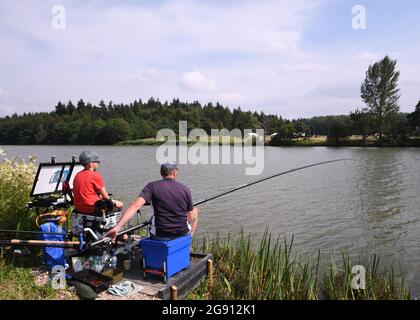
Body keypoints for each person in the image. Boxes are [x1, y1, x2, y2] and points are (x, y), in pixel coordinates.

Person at [106, 162, 198, 240]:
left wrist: (117, 227)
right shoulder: (185, 189)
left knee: (152, 219)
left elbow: (135, 205)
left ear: (161, 173)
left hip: (159, 234)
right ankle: (189, 239)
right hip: (181, 233)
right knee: (195, 210)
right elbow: (191, 217)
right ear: (174, 173)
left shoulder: (152, 186)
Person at [73, 151, 123, 215]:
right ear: (91, 164)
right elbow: (106, 197)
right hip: (92, 208)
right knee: (121, 204)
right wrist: (110, 204)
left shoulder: (77, 175)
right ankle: (120, 224)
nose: (98, 164)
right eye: (97, 162)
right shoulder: (95, 175)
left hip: (79, 207)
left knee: (100, 198)